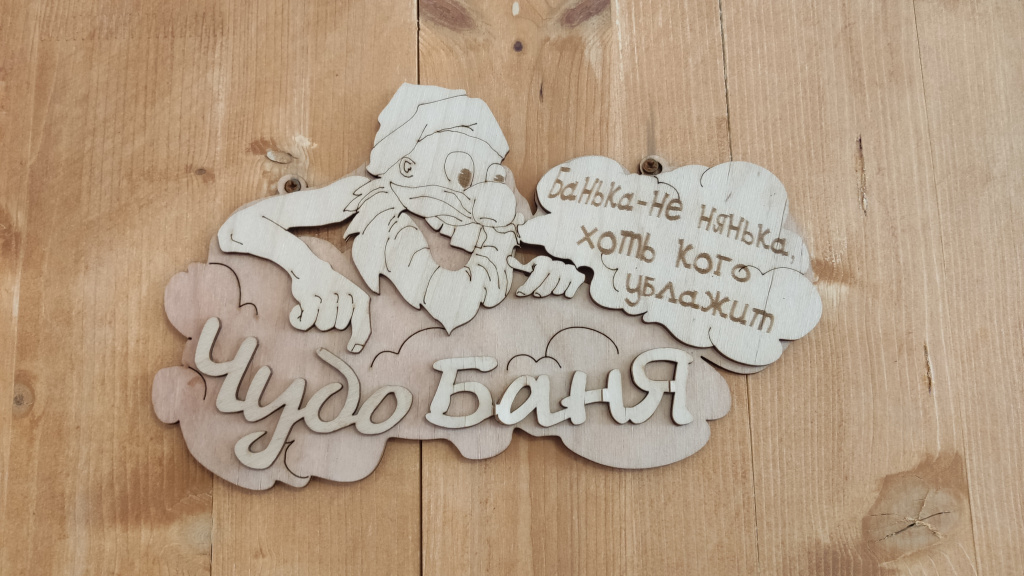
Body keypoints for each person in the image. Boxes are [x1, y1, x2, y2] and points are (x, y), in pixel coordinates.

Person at [218, 84, 583, 354]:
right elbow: (240, 228)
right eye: (464, 174)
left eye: (492, 176)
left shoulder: (479, 223)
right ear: (406, 166)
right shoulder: (368, 194)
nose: (481, 194)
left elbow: (497, 273)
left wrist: (555, 273)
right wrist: (308, 270)